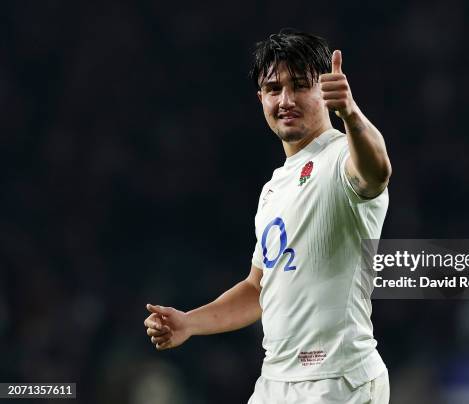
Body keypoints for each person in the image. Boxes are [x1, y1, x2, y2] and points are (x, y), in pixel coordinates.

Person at [144, 29, 392, 403]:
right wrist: (189, 322)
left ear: (324, 90)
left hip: (337, 380)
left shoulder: (341, 156)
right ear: (261, 98)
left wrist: (351, 115)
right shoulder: (274, 188)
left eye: (299, 85)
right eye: (274, 89)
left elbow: (376, 173)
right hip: (276, 380)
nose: (286, 100)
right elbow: (258, 289)